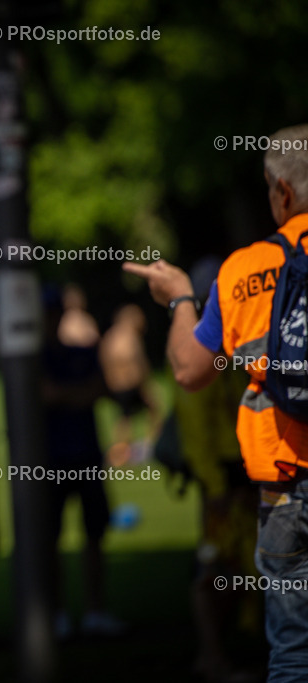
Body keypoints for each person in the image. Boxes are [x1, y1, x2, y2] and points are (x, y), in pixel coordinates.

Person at [124, 123, 308, 683]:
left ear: (281, 192)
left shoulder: (244, 270)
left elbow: (188, 370)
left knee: (294, 653)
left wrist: (180, 297)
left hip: (285, 492)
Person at [171, 258, 260, 683]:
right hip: (223, 475)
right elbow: (195, 427)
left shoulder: (236, 343)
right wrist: (214, 484)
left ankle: (238, 649)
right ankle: (212, 657)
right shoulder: (202, 349)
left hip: (247, 467)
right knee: (214, 568)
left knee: (251, 562)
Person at [41, 287, 126, 639]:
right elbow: (48, 394)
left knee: (95, 536)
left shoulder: (84, 352)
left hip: (87, 455)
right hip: (50, 460)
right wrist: (77, 394)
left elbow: (102, 389)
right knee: (50, 540)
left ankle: (95, 612)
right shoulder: (33, 358)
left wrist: (66, 395)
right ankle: (57, 614)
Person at [99, 304, 160, 466]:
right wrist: (145, 385)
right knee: (150, 412)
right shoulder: (130, 336)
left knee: (124, 418)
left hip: (115, 385)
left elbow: (104, 360)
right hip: (131, 384)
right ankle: (145, 447)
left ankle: (121, 452)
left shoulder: (110, 336)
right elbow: (138, 362)